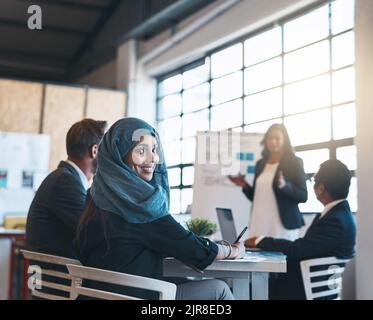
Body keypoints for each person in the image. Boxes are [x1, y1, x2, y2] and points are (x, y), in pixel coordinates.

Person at [74, 117, 245, 300]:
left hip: (97, 295)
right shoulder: (141, 207)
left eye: (154, 150)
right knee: (219, 290)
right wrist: (232, 250)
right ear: (118, 155)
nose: (153, 159)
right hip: (136, 298)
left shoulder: (94, 196)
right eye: (141, 150)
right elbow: (195, 250)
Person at [245, 159, 356, 299]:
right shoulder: (340, 214)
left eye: (314, 182)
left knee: (251, 286)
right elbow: (305, 247)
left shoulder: (335, 220)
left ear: (321, 188)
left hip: (305, 287)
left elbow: (298, 249)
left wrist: (260, 240)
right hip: (308, 282)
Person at [26, 119, 107, 258]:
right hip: (55, 276)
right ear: (95, 151)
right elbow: (93, 230)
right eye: (105, 150)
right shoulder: (64, 182)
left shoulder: (66, 177)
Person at [228, 123, 307, 240]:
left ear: (285, 140)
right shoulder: (260, 164)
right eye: (270, 138)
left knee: (282, 257)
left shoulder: (294, 162)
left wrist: (285, 186)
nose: (273, 141)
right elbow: (256, 196)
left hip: (281, 225)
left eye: (277, 138)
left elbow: (303, 196)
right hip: (259, 222)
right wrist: (244, 185)